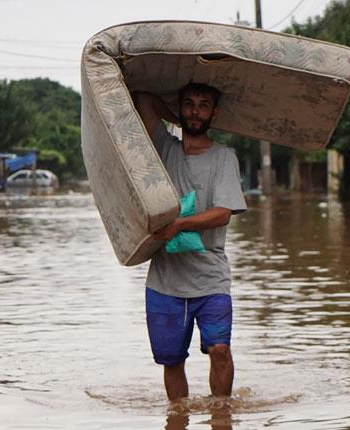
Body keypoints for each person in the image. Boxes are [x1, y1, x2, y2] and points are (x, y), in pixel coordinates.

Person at [132, 83, 248, 402]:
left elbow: (223, 213)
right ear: (181, 108)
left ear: (215, 113)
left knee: (220, 350)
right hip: (165, 283)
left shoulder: (224, 157)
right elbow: (144, 96)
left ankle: (221, 415)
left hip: (211, 280)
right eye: (189, 105)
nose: (196, 111)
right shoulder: (165, 149)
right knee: (172, 362)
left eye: (203, 106)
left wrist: (179, 224)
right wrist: (176, 117)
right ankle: (178, 417)